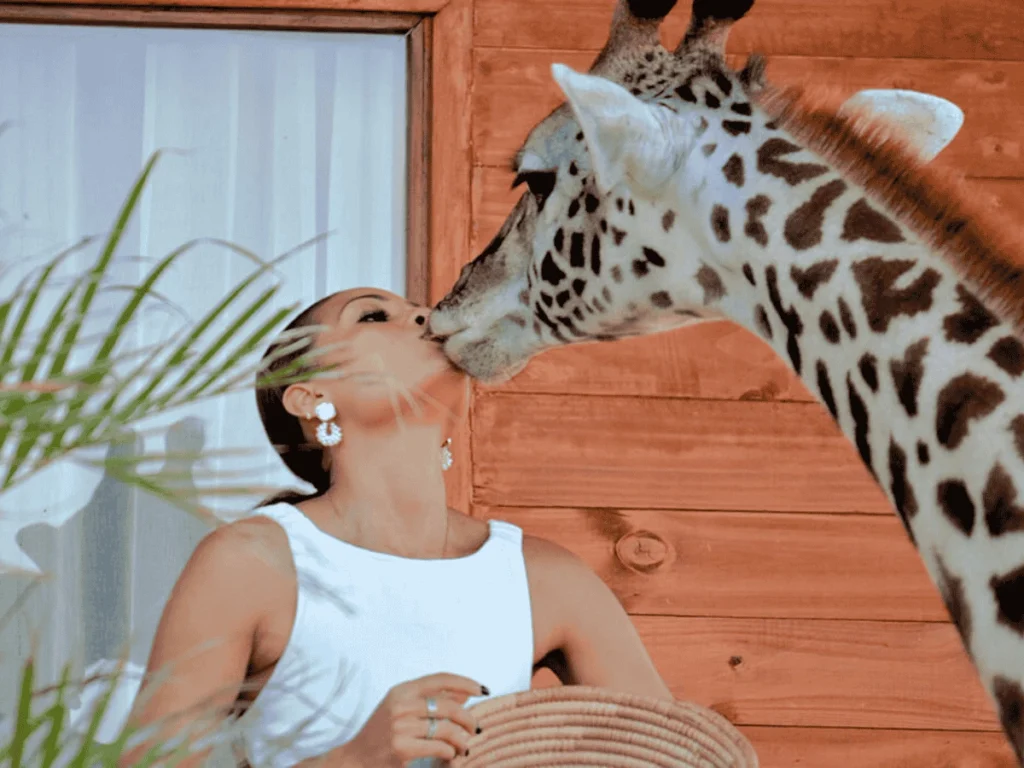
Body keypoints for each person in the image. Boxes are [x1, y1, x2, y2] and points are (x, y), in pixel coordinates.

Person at [119, 288, 672, 768]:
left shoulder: (545, 579)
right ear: (310, 398)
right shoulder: (253, 562)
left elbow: (678, 754)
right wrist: (354, 761)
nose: (425, 317)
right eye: (373, 316)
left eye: (417, 310)